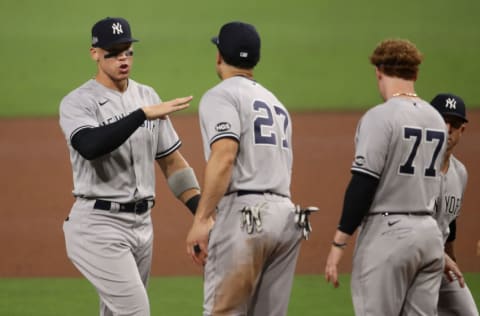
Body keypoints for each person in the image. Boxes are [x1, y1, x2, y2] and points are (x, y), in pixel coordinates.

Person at [59, 17, 201, 316]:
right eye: (113, 52)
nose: (122, 58)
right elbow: (89, 146)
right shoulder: (78, 102)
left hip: (142, 226)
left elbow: (172, 163)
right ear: (94, 53)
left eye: (127, 51)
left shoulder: (147, 96)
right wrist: (141, 115)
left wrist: (202, 215)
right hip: (98, 226)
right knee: (135, 311)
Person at [185, 21, 304, 315]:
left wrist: (202, 219)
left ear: (219, 56)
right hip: (287, 217)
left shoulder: (221, 95)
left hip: (247, 218)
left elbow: (224, 156)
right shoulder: (276, 103)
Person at [324, 39, 448, 315]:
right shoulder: (437, 120)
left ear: (378, 71)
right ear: (415, 74)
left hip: (389, 236)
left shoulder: (380, 117)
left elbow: (363, 183)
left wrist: (338, 243)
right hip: (429, 236)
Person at [430, 93, 479, 316]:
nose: (448, 129)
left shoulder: (460, 173)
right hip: (412, 260)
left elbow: (450, 225)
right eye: (442, 121)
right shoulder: (412, 170)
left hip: (441, 263)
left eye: (455, 124)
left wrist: (453, 260)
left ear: (462, 131)